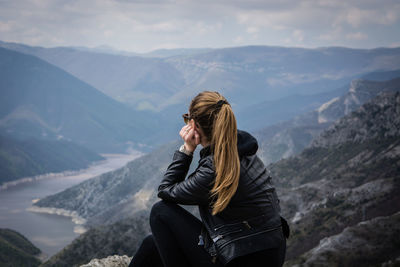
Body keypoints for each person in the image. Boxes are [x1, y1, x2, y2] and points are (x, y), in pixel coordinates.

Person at [129, 91, 288, 267]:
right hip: (265, 254)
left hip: (241, 258)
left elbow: (166, 190)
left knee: (160, 212)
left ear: (193, 125)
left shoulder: (215, 168)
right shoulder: (241, 149)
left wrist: (187, 149)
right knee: (151, 244)